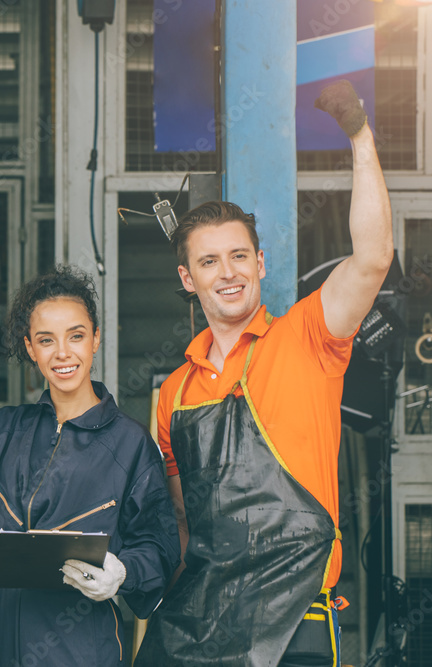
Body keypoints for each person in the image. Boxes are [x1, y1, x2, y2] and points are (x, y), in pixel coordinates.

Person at [136, 81, 394, 667]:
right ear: (187, 279)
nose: (226, 273)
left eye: (238, 256)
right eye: (208, 261)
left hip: (295, 622)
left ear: (260, 263)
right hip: (196, 620)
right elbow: (180, 517)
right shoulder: (176, 392)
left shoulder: (310, 335)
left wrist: (359, 134)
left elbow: (374, 257)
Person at [0, 267, 181, 666]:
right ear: (30, 348)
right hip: (4, 638)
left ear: (96, 339)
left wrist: (123, 572)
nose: (62, 353)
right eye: (46, 340)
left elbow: (159, 548)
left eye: (76, 336)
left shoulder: (129, 443)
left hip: (82, 645)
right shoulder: (1, 430)